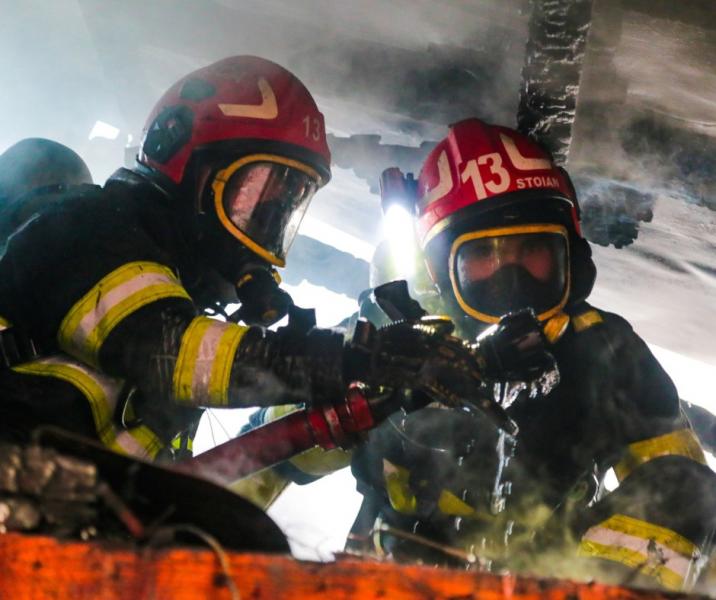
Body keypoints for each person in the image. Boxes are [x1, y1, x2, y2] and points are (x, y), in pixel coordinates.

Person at [244, 118, 716, 591]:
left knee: (688, 490)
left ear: (568, 255)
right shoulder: (383, 347)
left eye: (532, 249)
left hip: (549, 585)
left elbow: (684, 491)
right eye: (484, 255)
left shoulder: (605, 352)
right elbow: (262, 459)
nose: (512, 279)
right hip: (392, 584)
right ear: (442, 270)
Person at [0, 56, 474, 464]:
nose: (265, 224)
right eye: (256, 193)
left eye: (284, 206)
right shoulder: (84, 227)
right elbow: (167, 350)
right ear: (185, 163)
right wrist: (354, 359)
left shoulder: (173, 291)